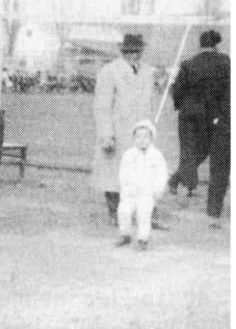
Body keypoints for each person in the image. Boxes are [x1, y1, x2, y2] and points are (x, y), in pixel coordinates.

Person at [92, 33, 161, 225]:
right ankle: (115, 213)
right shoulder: (110, 71)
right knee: (114, 174)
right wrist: (106, 135)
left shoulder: (148, 72)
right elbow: (102, 106)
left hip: (141, 133)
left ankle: (146, 214)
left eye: (137, 51)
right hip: (118, 131)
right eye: (130, 51)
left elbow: (151, 102)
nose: (134, 55)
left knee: (144, 174)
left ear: (141, 51)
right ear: (123, 51)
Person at [169, 29, 230, 226]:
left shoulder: (188, 64)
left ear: (200, 45)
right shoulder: (225, 62)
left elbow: (177, 91)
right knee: (219, 163)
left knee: (189, 152)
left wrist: (181, 106)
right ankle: (213, 212)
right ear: (216, 45)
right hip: (217, 118)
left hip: (190, 116)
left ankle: (180, 186)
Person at [116, 120, 168, 251]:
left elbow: (162, 174)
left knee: (144, 215)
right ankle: (125, 234)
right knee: (123, 212)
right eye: (138, 137)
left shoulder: (156, 156)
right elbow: (123, 172)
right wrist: (125, 187)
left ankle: (143, 239)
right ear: (133, 138)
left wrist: (158, 188)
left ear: (152, 138)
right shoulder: (129, 155)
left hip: (147, 192)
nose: (142, 140)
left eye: (145, 137)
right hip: (131, 191)